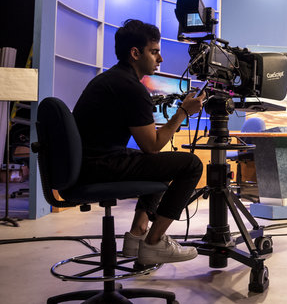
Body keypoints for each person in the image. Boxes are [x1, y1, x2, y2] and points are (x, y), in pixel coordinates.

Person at [73, 19, 206, 266]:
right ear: (135, 53)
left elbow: (150, 150)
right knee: (191, 164)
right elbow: (153, 145)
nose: (161, 59)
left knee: (160, 163)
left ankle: (138, 233)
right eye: (154, 52)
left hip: (87, 163)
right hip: (97, 167)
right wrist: (183, 113)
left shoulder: (114, 79)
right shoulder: (131, 88)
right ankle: (155, 242)